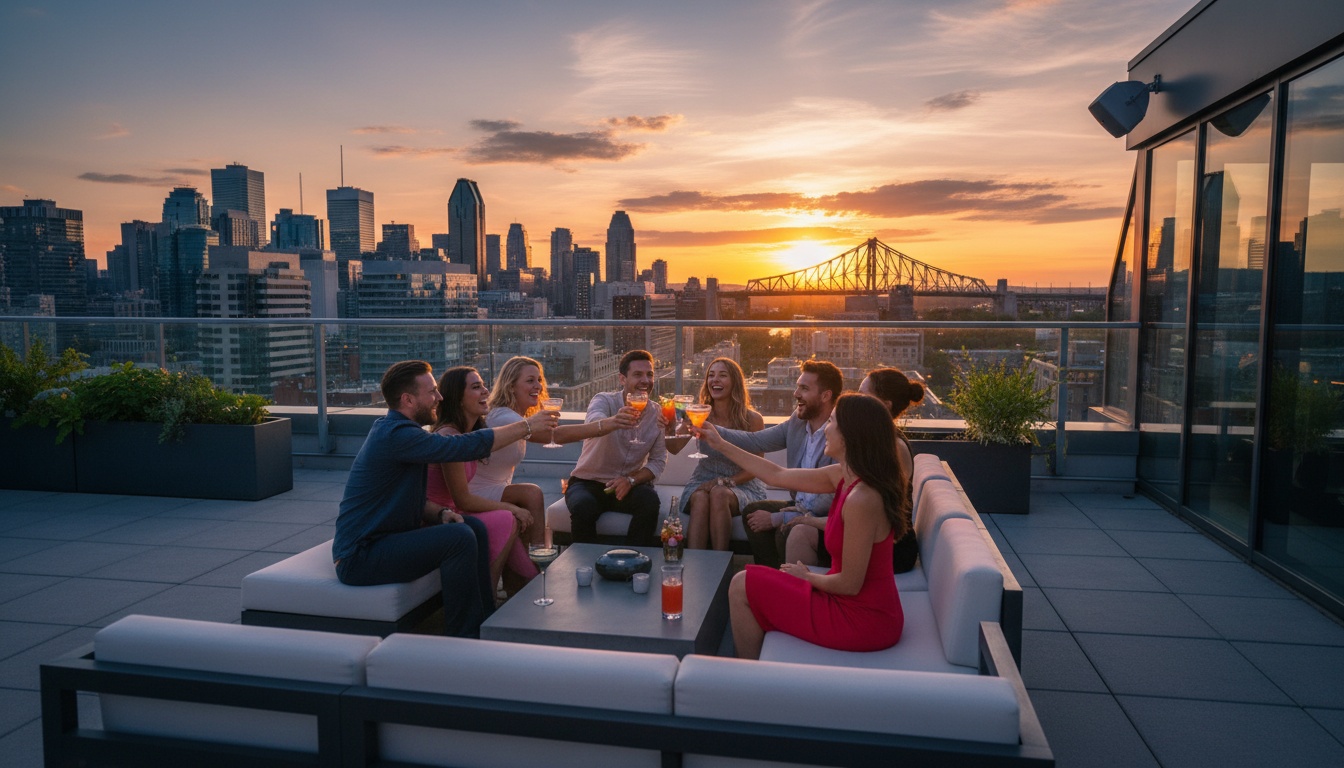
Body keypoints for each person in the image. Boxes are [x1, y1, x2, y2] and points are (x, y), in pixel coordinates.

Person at [333, 360, 558, 637]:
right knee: (459, 538)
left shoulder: (402, 433)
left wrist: (439, 514)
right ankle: (464, 634)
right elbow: (458, 446)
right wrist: (526, 426)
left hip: (385, 539)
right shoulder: (396, 435)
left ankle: (485, 615)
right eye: (432, 392)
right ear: (408, 399)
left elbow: (403, 497)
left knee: (471, 527)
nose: (439, 398)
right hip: (360, 555)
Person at [697, 393, 907, 658]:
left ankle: (748, 679)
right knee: (745, 581)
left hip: (863, 618)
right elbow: (778, 475)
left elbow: (850, 585)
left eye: (831, 422)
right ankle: (754, 672)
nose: (825, 429)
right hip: (849, 603)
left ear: (851, 434)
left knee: (742, 584)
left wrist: (806, 577)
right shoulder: (844, 475)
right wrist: (720, 443)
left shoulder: (863, 498)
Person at [469, 356, 636, 548]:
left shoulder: (515, 417)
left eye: (539, 380)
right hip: (478, 493)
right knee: (532, 493)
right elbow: (555, 435)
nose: (538, 386)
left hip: (498, 491)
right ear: (511, 386)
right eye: (530, 381)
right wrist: (611, 423)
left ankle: (532, 560)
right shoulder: (505, 417)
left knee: (524, 518)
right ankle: (541, 551)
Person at [787, 367, 926, 573]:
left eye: (863, 394)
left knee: (800, 533)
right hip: (867, 536)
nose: (855, 399)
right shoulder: (872, 441)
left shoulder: (892, 448)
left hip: (889, 548)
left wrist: (810, 520)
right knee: (798, 529)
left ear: (883, 406)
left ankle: (806, 596)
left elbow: (871, 519)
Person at [713, 360, 842, 567]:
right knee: (752, 513)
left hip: (826, 517)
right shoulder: (798, 422)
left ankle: (783, 583)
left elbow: (831, 497)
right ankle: (769, 575)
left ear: (825, 396)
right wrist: (712, 430)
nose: (796, 394)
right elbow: (755, 440)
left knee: (786, 530)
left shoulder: (840, 434)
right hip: (800, 505)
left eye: (804, 388)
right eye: (798, 386)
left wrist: (783, 517)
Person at [426, 366, 535, 596]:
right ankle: (487, 596)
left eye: (484, 385)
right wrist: (511, 507)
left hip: (456, 511)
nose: (486, 391)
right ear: (457, 397)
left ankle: (522, 587)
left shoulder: (466, 435)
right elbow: (462, 499)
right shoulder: (450, 438)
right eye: (476, 387)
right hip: (438, 518)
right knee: (507, 518)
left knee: (514, 514)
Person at [564, 349, 668, 546]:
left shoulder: (657, 413)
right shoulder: (603, 400)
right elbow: (594, 422)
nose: (645, 380)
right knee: (583, 507)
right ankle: (584, 565)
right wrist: (614, 421)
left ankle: (632, 561)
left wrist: (631, 480)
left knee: (650, 502)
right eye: (637, 375)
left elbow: (658, 460)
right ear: (622, 379)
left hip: (627, 484)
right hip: (589, 482)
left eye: (649, 374)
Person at [679, 358, 767, 551]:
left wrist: (724, 482)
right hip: (703, 478)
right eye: (711, 375)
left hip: (742, 484)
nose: (715, 380)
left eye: (722, 375)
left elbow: (757, 467)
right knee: (701, 498)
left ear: (735, 382)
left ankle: (721, 565)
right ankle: (694, 563)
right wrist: (673, 425)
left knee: (719, 493)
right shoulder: (699, 414)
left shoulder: (752, 419)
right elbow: (674, 448)